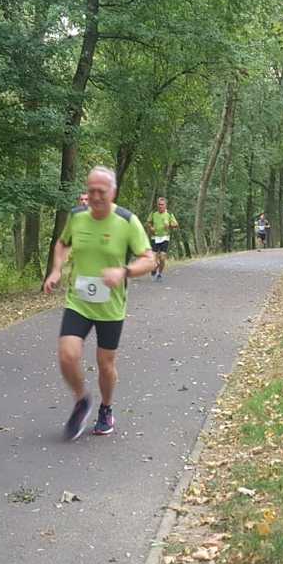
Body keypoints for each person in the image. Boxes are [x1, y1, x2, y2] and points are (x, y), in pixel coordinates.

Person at [43, 167, 156, 440]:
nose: (94, 197)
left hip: (110, 305)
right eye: (91, 190)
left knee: (105, 364)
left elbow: (149, 260)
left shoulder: (127, 221)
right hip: (79, 301)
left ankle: (106, 408)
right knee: (67, 355)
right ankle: (82, 399)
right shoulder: (77, 216)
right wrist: (56, 270)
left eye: (101, 192)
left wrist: (124, 272)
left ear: (113, 192)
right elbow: (62, 243)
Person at [146, 197, 179, 281]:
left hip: (165, 237)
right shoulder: (153, 213)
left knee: (162, 258)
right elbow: (148, 222)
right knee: (153, 259)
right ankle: (154, 268)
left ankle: (159, 274)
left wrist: (169, 225)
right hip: (155, 237)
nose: (160, 206)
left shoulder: (169, 214)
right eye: (159, 204)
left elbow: (176, 224)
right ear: (157, 205)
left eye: (162, 204)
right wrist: (151, 228)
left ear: (165, 205)